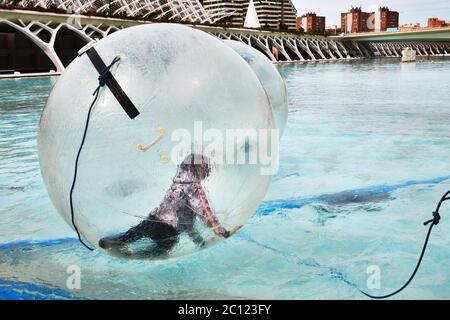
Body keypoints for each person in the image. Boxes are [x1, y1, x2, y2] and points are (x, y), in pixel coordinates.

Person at [99, 154, 241, 258]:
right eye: (206, 167)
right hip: (168, 232)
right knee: (154, 253)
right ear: (198, 168)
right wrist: (223, 233)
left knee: (130, 235)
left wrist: (201, 243)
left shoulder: (177, 184)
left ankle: (111, 241)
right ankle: (134, 256)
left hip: (152, 220)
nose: (208, 171)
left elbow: (188, 225)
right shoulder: (194, 188)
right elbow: (205, 213)